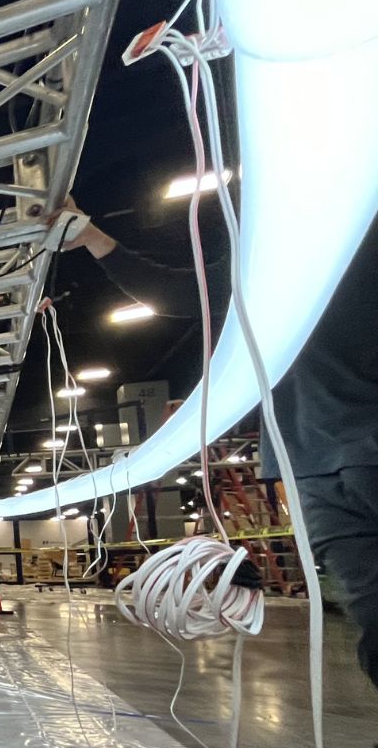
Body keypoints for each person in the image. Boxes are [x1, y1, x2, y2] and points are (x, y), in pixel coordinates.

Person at [55, 199, 378, 687]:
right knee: (374, 619)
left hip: (354, 439)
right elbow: (188, 292)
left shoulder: (358, 217)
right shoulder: (264, 246)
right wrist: (92, 237)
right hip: (310, 461)